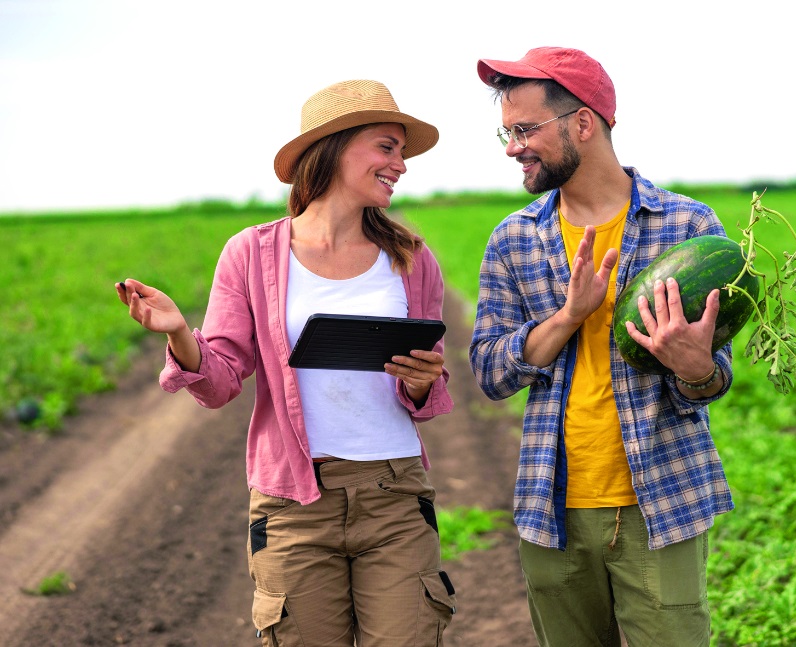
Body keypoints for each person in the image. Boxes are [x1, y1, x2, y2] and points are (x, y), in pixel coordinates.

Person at [116, 79, 457, 647]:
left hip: (394, 492)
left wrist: (423, 384)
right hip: (294, 503)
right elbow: (221, 381)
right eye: (386, 147)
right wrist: (180, 332)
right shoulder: (250, 253)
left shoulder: (411, 259)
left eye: (401, 151)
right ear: (334, 146)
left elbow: (429, 387)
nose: (400, 165)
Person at [469, 47, 735, 646]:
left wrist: (695, 369)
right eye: (506, 133)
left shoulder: (687, 227)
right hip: (551, 508)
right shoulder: (514, 240)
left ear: (582, 123)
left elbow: (714, 379)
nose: (514, 147)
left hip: (661, 504)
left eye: (526, 129)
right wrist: (568, 317)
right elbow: (489, 372)